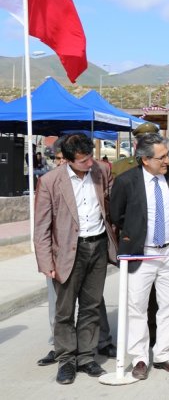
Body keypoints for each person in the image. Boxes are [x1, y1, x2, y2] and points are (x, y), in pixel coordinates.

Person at [34, 133, 117, 385]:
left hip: (98, 246)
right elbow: (41, 227)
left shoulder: (101, 171)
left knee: (91, 307)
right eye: (83, 161)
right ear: (68, 160)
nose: (89, 163)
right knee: (65, 311)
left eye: (90, 157)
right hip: (68, 252)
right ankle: (67, 359)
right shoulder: (50, 181)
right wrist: (46, 263)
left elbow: (112, 206)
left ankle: (86, 357)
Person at [110, 133, 169, 381]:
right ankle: (140, 358)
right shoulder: (125, 182)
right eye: (162, 157)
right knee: (136, 308)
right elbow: (117, 215)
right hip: (141, 253)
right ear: (145, 160)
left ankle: (163, 354)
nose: (168, 161)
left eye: (168, 155)